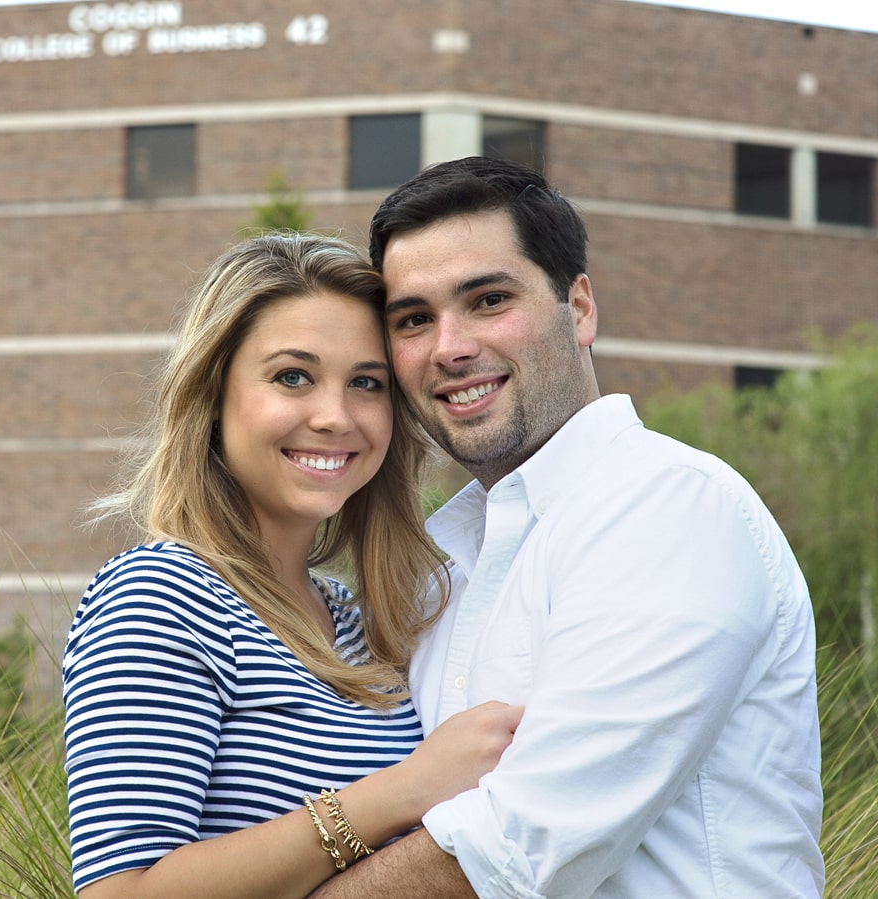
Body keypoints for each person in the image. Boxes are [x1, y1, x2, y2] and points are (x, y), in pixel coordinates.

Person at [310, 156, 824, 898]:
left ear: (579, 307)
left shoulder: (670, 507)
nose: (450, 347)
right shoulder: (438, 559)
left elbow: (515, 852)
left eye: (488, 299)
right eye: (414, 318)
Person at [62, 233, 523, 899]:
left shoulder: (364, 624)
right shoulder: (160, 594)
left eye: (366, 383)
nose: (335, 417)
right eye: (292, 377)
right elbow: (120, 892)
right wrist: (402, 789)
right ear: (214, 396)